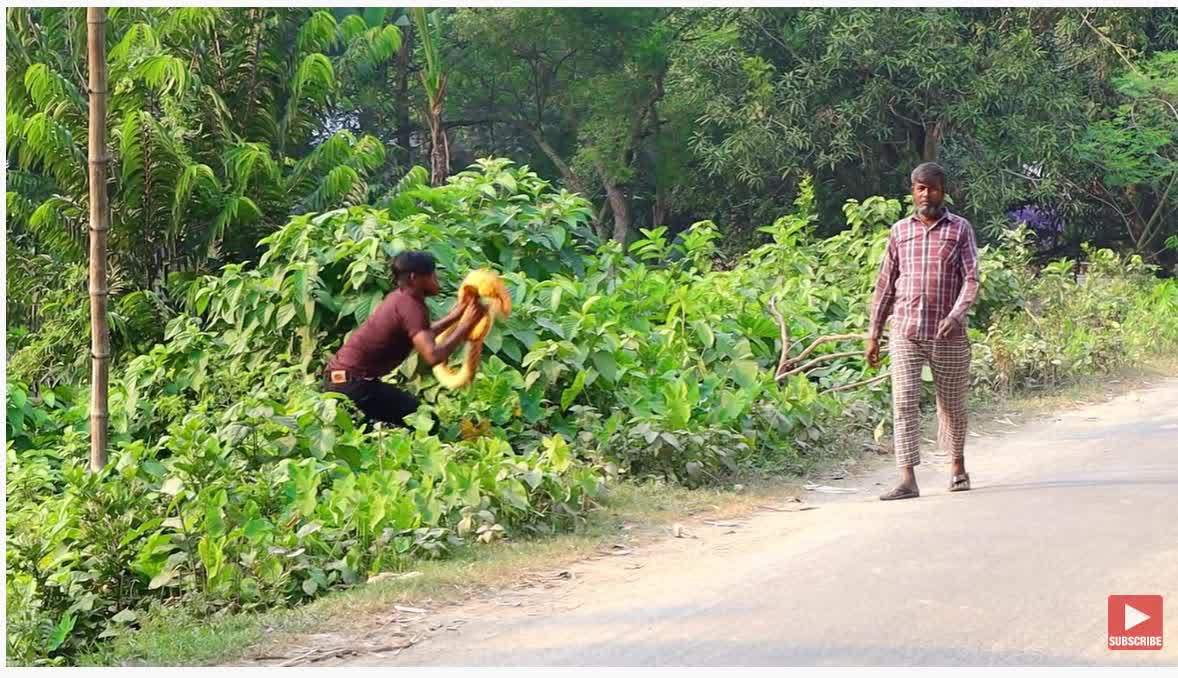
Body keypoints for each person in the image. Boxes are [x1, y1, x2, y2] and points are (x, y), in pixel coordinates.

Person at [866, 162, 980, 500]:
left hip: (948, 334)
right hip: (905, 330)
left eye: (932, 188)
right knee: (903, 402)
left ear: (943, 190)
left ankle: (957, 467)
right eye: (919, 188)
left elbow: (972, 279)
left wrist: (957, 315)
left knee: (951, 405)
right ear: (912, 191)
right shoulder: (900, 231)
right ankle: (907, 479)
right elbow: (885, 285)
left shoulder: (959, 229)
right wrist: (873, 333)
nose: (925, 194)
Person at [322, 251, 485, 428]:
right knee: (426, 422)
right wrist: (465, 325)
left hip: (342, 380)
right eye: (431, 275)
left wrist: (457, 315)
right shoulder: (412, 306)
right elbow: (433, 356)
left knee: (389, 424)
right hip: (354, 384)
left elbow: (423, 335)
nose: (435, 280)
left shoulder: (400, 298)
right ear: (414, 278)